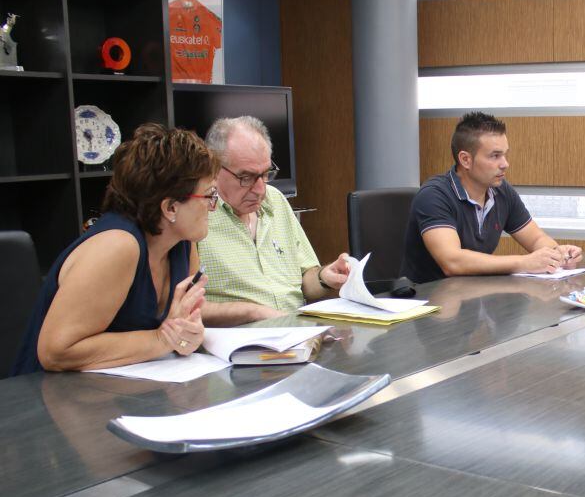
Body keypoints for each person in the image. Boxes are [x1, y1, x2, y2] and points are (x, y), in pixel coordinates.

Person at [12, 125, 215, 375]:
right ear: (170, 208)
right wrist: (162, 340)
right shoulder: (118, 246)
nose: (213, 205)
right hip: (47, 400)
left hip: (127, 392)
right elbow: (56, 351)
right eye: (209, 195)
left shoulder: (183, 242)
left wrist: (188, 338)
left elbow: (181, 331)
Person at [197, 116, 350, 324]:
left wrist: (325, 277)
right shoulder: (197, 214)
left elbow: (306, 281)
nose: (260, 189)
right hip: (241, 343)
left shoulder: (275, 199)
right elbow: (183, 309)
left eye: (265, 174)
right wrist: (252, 312)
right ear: (214, 167)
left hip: (297, 334)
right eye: (246, 177)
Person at [400, 111, 583, 285]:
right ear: (465, 160)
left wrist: (557, 255)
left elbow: (536, 238)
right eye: (495, 156)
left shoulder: (501, 191)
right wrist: (524, 262)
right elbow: (452, 261)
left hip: (474, 297)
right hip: (429, 304)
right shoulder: (434, 195)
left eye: (504, 154)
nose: (505, 164)